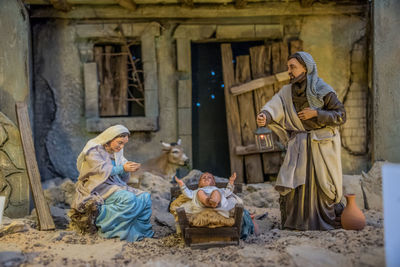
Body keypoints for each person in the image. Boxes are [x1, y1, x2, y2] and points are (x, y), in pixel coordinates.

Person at [256, 52, 346, 231]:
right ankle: (296, 222)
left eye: (293, 67)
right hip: (298, 146)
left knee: (322, 184)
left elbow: (341, 115)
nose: (289, 71)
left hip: (321, 146)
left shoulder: (322, 89)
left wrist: (317, 114)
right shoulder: (287, 91)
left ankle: (322, 221)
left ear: (306, 68)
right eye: (288, 67)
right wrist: (264, 116)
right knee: (294, 184)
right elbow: (275, 105)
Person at [70, 125, 154, 242]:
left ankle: (138, 231)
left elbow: (122, 177)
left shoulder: (117, 152)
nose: (121, 147)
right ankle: (109, 226)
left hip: (115, 184)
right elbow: (101, 170)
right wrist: (122, 168)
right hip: (98, 186)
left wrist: (129, 169)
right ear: (110, 138)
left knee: (145, 197)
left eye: (124, 144)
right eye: (119, 143)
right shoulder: (93, 150)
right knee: (128, 199)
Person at [174, 172, 255, 238]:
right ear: (199, 183)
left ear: (214, 182)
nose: (206, 178)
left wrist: (231, 182)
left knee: (216, 193)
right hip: (201, 209)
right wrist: (182, 184)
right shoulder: (196, 191)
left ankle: (214, 201)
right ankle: (208, 201)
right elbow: (187, 194)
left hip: (219, 208)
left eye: (209, 177)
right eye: (203, 178)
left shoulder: (219, 190)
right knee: (200, 193)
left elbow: (228, 191)